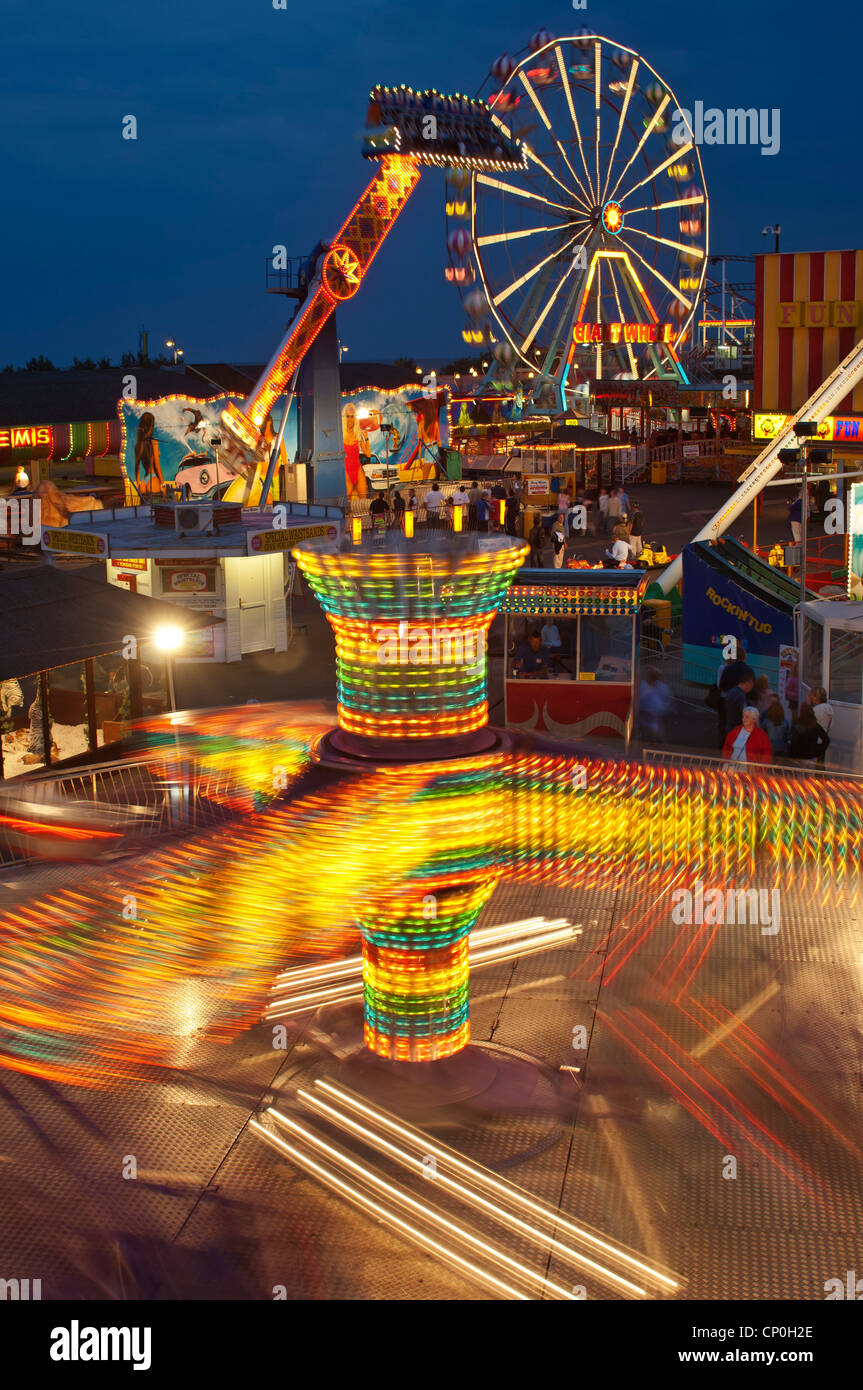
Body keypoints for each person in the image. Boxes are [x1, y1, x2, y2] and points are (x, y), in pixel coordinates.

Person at [640, 668, 673, 742]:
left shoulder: (645, 685)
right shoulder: (662, 686)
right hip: (659, 708)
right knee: (656, 723)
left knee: (653, 723)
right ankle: (659, 738)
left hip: (650, 708)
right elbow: (667, 696)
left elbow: (642, 697)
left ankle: (655, 738)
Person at [722, 675, 755, 745]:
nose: (751, 689)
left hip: (729, 725)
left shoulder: (731, 691)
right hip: (738, 727)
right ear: (747, 684)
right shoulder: (740, 695)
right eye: (751, 686)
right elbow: (744, 712)